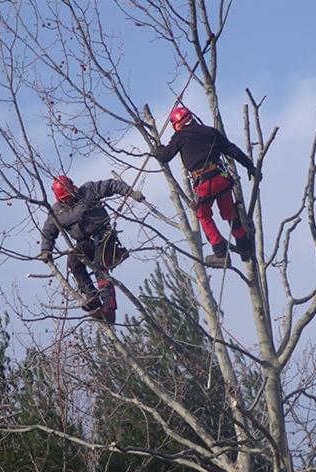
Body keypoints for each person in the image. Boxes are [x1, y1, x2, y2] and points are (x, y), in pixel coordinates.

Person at [155, 106, 260, 268]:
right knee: (230, 213)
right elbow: (232, 150)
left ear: (177, 123)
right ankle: (244, 247)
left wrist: (158, 148)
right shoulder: (211, 131)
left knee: (203, 215)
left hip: (204, 183)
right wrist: (250, 167)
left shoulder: (180, 137)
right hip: (221, 178)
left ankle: (220, 253)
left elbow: (164, 157)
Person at [40, 175, 145, 324]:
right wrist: (46, 250)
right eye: (65, 199)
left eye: (70, 196)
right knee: (73, 262)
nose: (69, 200)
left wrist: (131, 192)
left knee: (100, 268)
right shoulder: (56, 212)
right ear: (59, 199)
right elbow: (48, 231)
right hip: (83, 242)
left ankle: (109, 310)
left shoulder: (89, 190)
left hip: (104, 236)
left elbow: (111, 185)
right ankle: (91, 295)